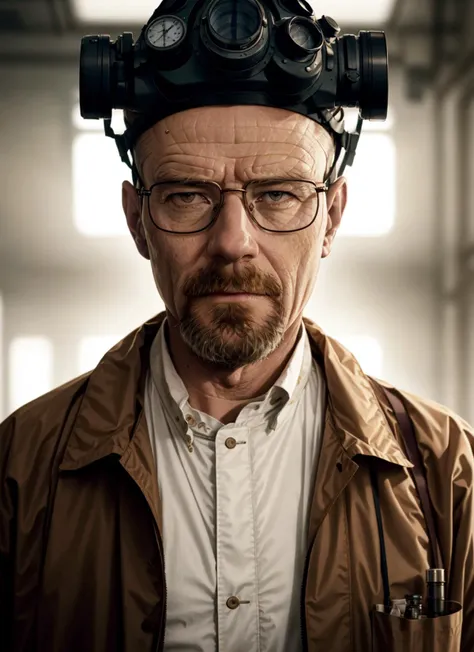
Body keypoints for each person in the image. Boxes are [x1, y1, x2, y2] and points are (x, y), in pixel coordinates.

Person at [1, 3, 473, 652]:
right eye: (188, 195)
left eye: (278, 194)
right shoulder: (19, 468)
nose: (233, 243)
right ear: (138, 219)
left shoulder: (447, 472)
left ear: (331, 216)